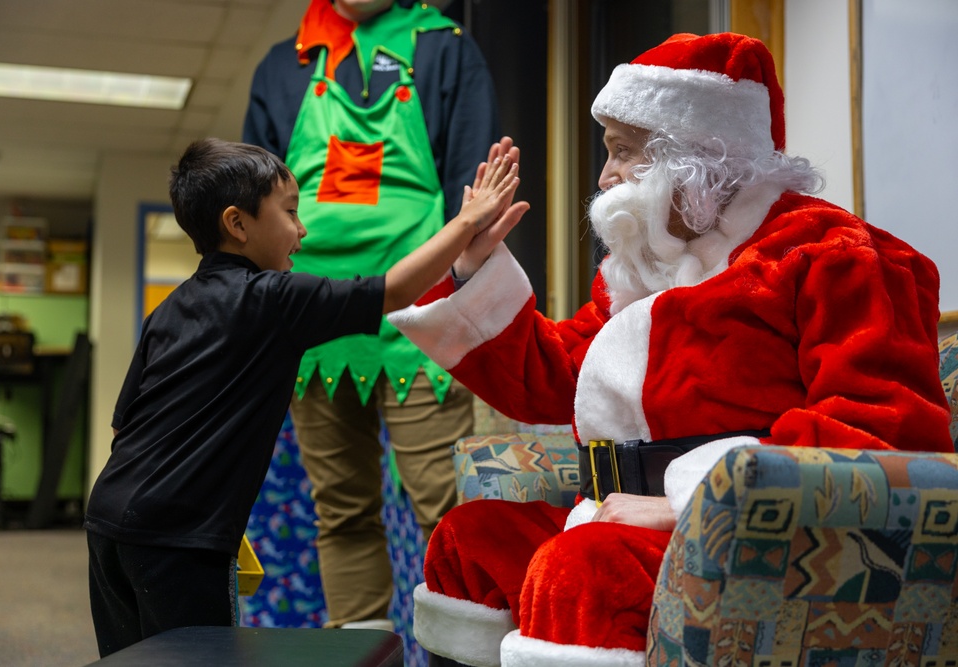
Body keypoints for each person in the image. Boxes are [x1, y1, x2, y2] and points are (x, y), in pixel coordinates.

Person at [385, 32, 955, 667]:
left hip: (751, 533)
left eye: (623, 153)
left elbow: (882, 428)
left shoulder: (835, 255)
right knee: (469, 543)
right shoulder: (644, 271)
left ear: (692, 155)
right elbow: (553, 379)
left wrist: (684, 502)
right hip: (615, 517)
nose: (605, 178)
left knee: (585, 573)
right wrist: (472, 268)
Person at [83, 137, 528, 657]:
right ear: (238, 223)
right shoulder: (271, 299)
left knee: (131, 661)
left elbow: (124, 427)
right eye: (290, 212)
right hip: (182, 540)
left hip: (107, 520)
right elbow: (393, 291)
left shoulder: (170, 308)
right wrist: (468, 220)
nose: (302, 229)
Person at [241, 0, 501, 630]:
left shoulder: (446, 49)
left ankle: (466, 650)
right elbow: (249, 210)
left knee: (443, 503)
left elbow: (474, 196)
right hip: (311, 319)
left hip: (420, 318)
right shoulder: (284, 65)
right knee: (342, 509)